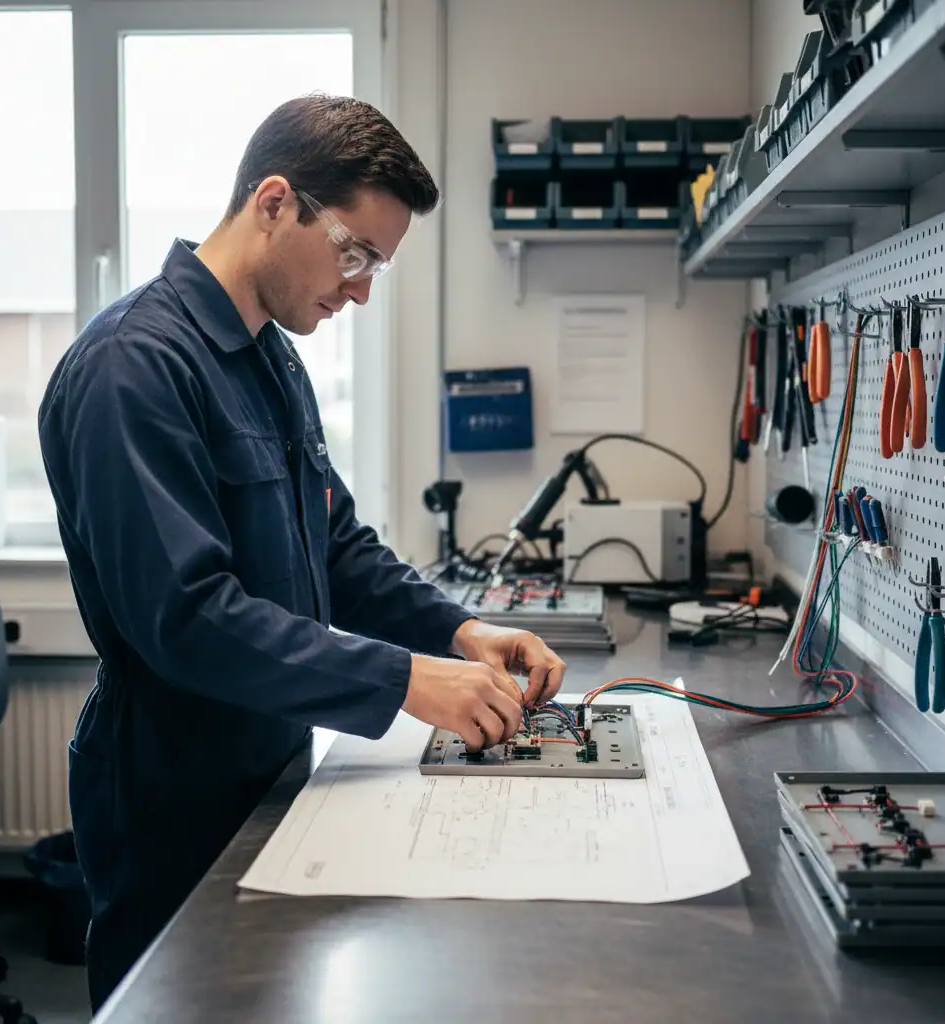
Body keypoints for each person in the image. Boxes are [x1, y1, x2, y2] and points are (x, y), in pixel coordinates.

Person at [37, 94, 567, 1012]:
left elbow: (339, 547)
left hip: (268, 761)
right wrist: (408, 680)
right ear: (274, 201)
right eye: (355, 252)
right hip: (172, 788)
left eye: (377, 267)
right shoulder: (134, 366)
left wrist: (460, 629)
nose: (360, 287)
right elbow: (189, 619)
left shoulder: (270, 357)